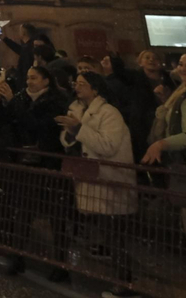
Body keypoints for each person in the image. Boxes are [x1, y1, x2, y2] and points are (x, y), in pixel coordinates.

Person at [55, 71, 138, 297]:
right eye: (77, 83)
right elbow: (67, 139)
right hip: (91, 179)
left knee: (115, 233)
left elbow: (108, 146)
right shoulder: (77, 108)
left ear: (96, 89)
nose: (78, 87)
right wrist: (71, 132)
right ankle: (117, 279)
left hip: (111, 180)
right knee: (104, 231)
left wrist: (79, 129)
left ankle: (124, 282)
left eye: (83, 84)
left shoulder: (110, 113)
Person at [0, 65, 72, 282]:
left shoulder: (55, 101)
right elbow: (6, 119)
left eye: (34, 78)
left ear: (46, 80)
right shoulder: (21, 98)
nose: (29, 81)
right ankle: (17, 257)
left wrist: (13, 103)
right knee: (22, 211)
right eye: (28, 77)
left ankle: (60, 263)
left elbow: (36, 125)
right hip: (24, 162)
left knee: (56, 215)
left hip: (48, 162)